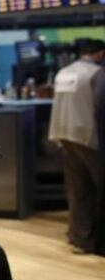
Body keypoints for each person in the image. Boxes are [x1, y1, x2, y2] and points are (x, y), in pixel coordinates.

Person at [48, 38, 105, 255]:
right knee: (97, 189)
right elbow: (100, 103)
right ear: (99, 54)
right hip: (88, 136)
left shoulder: (64, 72)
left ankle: (77, 235)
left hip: (63, 134)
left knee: (77, 189)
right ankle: (93, 241)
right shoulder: (95, 74)